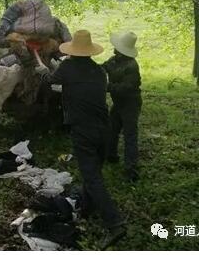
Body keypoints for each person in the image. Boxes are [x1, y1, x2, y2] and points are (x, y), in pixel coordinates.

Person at [35, 30, 126, 249]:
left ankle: (115, 223)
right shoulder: (97, 70)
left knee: (91, 176)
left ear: (73, 51)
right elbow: (77, 86)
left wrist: (42, 70)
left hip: (84, 130)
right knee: (93, 169)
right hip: (105, 129)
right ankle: (86, 207)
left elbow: (50, 80)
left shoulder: (67, 68)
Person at [102, 32, 142, 182]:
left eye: (117, 48)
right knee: (112, 129)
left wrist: (107, 87)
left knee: (130, 135)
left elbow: (127, 88)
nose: (114, 49)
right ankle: (111, 156)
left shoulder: (131, 66)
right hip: (119, 103)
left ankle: (131, 170)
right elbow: (103, 68)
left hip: (130, 103)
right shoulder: (114, 60)